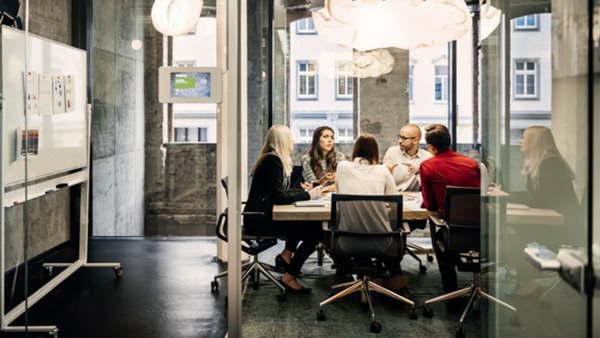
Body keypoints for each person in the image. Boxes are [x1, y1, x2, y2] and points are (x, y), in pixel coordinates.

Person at [243, 125, 323, 294]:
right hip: (261, 221)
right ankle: (289, 276)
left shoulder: (272, 159)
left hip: (262, 217)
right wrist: (309, 196)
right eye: (289, 138)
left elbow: (280, 192)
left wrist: (304, 191)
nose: (292, 141)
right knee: (316, 231)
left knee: (308, 226)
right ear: (281, 141)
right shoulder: (273, 161)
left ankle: (287, 257)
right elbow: (279, 197)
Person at [335, 133, 408, 291]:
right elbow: (395, 205)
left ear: (355, 150)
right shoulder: (382, 170)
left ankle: (344, 272)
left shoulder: (342, 167)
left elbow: (340, 197)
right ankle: (391, 276)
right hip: (382, 242)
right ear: (375, 152)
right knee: (395, 226)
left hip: (347, 241)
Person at [419, 124, 480, 310]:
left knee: (435, 225)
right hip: (480, 230)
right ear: (449, 141)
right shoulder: (471, 163)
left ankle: (451, 294)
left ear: (430, 147)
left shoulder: (427, 165)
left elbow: (431, 206)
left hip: (452, 232)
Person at [508, 126, 583, 248]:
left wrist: (506, 196)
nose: (521, 141)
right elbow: (536, 197)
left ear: (534, 142)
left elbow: (542, 200)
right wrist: (506, 194)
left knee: (514, 237)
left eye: (524, 138)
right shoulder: (539, 164)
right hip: (558, 223)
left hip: (566, 227)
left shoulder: (552, 165)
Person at [383, 123, 432, 192]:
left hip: (415, 198)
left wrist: (419, 173)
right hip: (394, 196)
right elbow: (382, 181)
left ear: (415, 140)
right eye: (399, 137)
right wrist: (387, 172)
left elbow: (430, 186)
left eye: (404, 138)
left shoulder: (427, 157)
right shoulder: (392, 152)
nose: (400, 141)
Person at [301, 126, 346, 192]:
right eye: (325, 137)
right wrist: (324, 179)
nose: (330, 140)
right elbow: (312, 186)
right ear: (317, 140)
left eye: (332, 138)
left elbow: (343, 184)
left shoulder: (339, 156)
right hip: (316, 197)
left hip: (335, 196)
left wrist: (324, 189)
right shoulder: (306, 159)